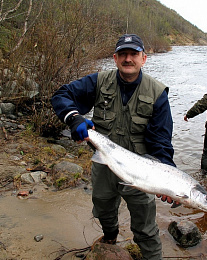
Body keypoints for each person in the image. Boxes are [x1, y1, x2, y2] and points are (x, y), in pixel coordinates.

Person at [51, 34, 176, 260]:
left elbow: (161, 141)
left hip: (141, 171)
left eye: (134, 54)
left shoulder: (157, 93)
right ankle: (110, 236)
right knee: (103, 208)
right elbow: (62, 94)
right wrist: (74, 117)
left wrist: (169, 178)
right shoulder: (98, 81)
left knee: (146, 227)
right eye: (123, 54)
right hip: (104, 163)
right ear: (115, 58)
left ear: (144, 59)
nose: (128, 59)